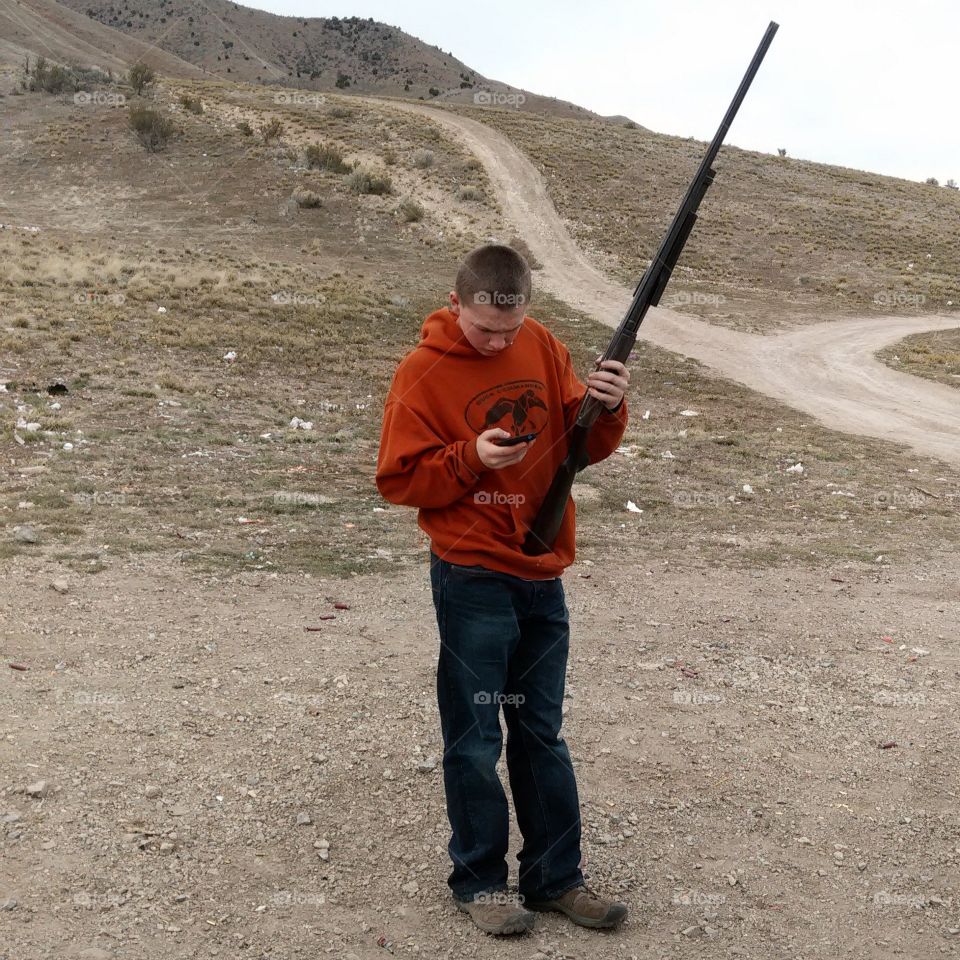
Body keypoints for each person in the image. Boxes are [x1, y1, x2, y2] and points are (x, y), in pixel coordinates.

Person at [375, 244, 630, 936]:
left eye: (509, 329)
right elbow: (399, 479)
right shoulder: (420, 372)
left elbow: (582, 443)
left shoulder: (541, 344)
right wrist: (470, 458)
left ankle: (556, 879)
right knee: (475, 737)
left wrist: (606, 407)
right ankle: (481, 883)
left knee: (541, 733)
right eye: (484, 329)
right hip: (472, 576)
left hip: (542, 572)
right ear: (455, 303)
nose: (497, 341)